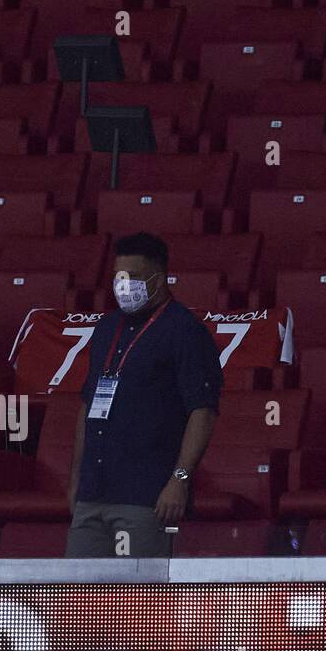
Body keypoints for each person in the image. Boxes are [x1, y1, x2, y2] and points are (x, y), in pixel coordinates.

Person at [66, 232, 223, 557]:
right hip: (93, 495)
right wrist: (77, 479)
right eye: (118, 277)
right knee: (76, 600)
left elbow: (202, 412)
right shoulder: (106, 328)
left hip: (146, 498)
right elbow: (89, 403)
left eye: (134, 277)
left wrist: (179, 479)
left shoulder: (184, 331)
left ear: (160, 277)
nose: (124, 285)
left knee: (138, 602)